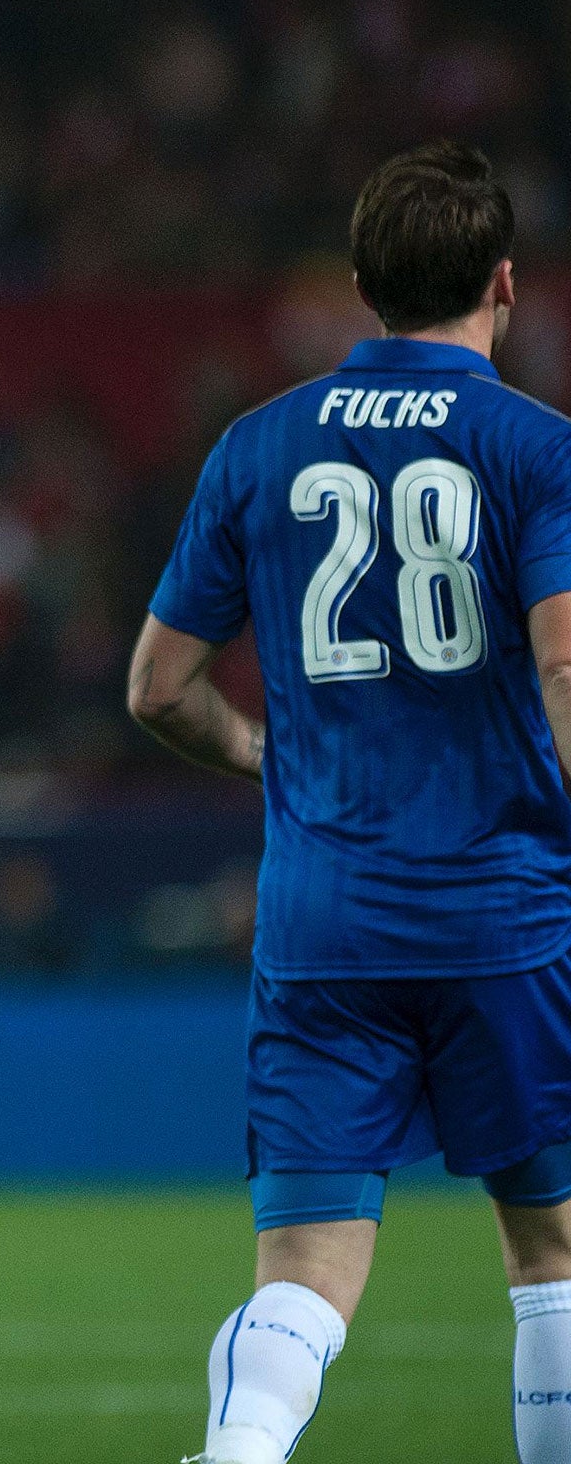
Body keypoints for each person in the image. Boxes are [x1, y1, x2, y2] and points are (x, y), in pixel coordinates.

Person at [130, 140, 571, 1464]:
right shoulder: (535, 447)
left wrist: (274, 760)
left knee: (304, 1270)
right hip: (508, 911)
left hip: (324, 918)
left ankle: (243, 1453)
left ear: (364, 286)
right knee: (550, 1250)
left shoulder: (258, 445)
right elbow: (562, 659)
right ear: (506, 284)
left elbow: (158, 688)